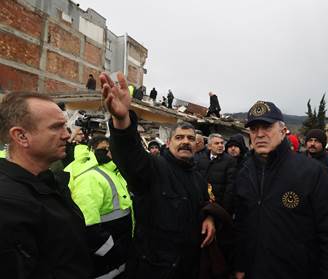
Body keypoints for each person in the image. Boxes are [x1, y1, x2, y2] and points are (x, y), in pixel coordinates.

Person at [99, 72, 216, 278]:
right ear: (168, 143)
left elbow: (204, 205)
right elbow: (129, 155)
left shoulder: (198, 177)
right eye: (179, 137)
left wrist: (209, 217)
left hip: (189, 268)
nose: (185, 141)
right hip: (154, 270)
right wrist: (122, 120)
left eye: (190, 138)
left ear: (197, 145)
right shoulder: (153, 168)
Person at [233, 100, 328, 279]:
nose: (260, 134)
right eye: (254, 129)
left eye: (267, 127)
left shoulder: (313, 173)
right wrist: (240, 265)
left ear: (282, 130)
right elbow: (242, 224)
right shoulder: (244, 172)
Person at [0, 92, 91, 278]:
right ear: (21, 136)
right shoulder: (7, 205)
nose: (67, 135)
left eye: (65, 126)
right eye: (57, 127)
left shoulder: (49, 181)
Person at [70, 136, 133, 278]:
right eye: (104, 150)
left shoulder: (115, 173)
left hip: (120, 259)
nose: (109, 152)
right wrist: (112, 251)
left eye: (110, 149)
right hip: (104, 264)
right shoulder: (90, 177)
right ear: (92, 151)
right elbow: (87, 226)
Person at [196, 133, 237, 213]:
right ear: (209, 146)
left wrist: (223, 209)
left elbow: (230, 187)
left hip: (219, 205)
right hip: (201, 203)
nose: (220, 145)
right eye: (217, 143)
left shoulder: (230, 161)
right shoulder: (200, 159)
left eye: (222, 143)